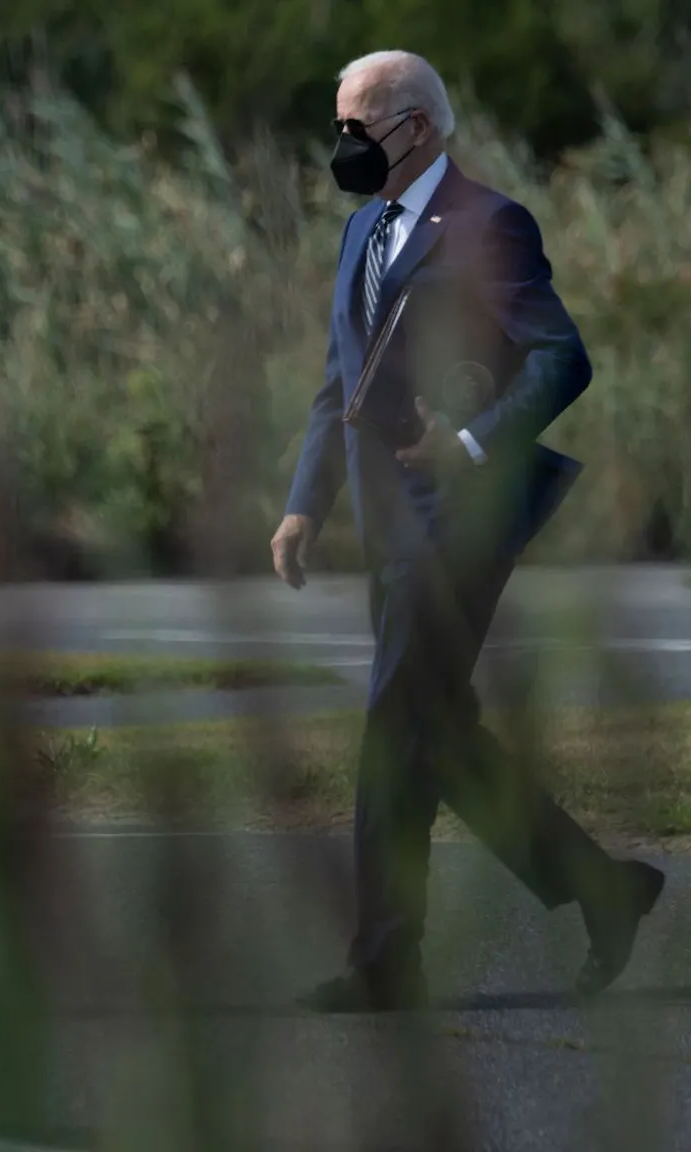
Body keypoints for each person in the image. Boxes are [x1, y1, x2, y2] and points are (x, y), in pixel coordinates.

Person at [273, 50, 665, 1012]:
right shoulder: (362, 229)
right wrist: (304, 503)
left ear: (416, 128)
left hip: (460, 520)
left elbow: (562, 359)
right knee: (436, 736)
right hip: (388, 522)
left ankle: (384, 965)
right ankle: (602, 889)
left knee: (393, 730)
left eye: (356, 129)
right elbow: (339, 381)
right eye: (338, 127)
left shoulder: (490, 225)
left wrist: (473, 442)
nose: (342, 147)